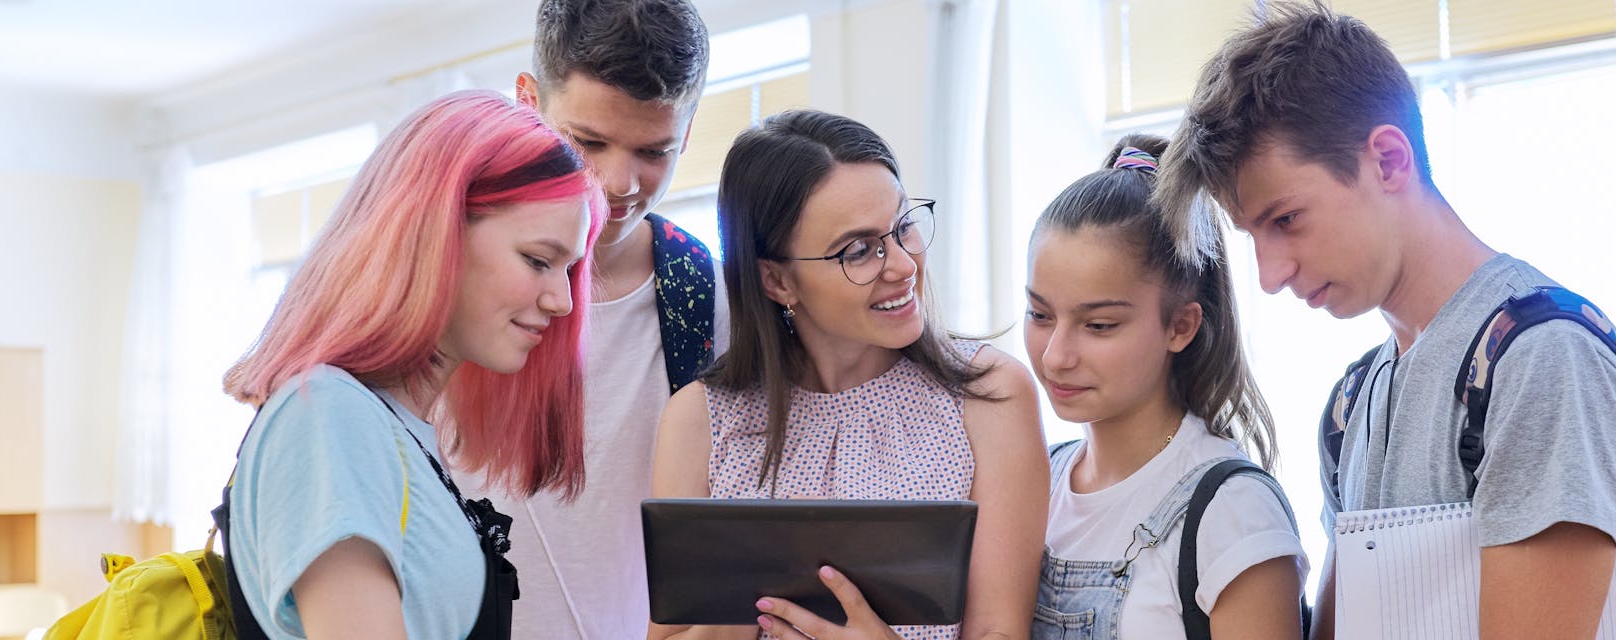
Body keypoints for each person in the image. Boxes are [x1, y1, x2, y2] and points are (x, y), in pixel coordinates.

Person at [1154, 3, 1616, 638]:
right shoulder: (1350, 405)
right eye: (1252, 236)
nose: (1270, 274)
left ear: (1389, 160)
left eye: (1285, 220)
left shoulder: (1541, 359)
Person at [649, 109, 1049, 640]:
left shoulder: (990, 396)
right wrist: (754, 595)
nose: (903, 265)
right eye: (859, 250)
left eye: (903, 226)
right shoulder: (700, 419)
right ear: (775, 281)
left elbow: (999, 632)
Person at [221, 89, 605, 639]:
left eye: (567, 270)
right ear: (434, 234)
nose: (562, 301)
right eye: (538, 261)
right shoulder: (328, 417)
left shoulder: (391, 428)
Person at [447, 1, 730, 637]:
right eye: (589, 142)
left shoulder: (706, 298)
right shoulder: (441, 276)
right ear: (527, 102)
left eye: (654, 149)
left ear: (688, 130)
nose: (616, 181)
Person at [1024, 134, 1306, 639]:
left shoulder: (1233, 512)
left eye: (1099, 325)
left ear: (1181, 326)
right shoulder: (1031, 484)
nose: (1055, 356)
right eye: (1040, 315)